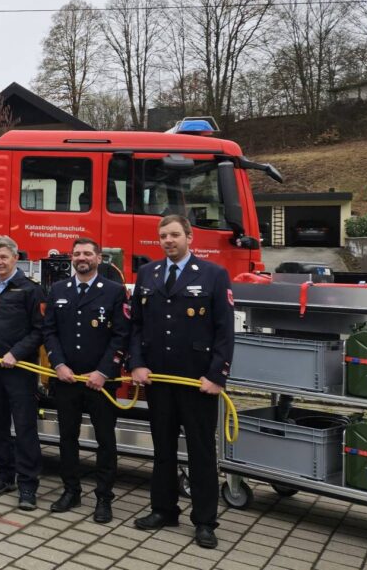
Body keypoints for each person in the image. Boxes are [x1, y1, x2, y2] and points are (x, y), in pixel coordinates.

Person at [130, 215, 233, 549]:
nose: (168, 240)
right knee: (162, 449)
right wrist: (137, 364)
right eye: (163, 236)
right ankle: (163, 509)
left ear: (189, 237)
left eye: (174, 235)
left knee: (201, 453)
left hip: (196, 382)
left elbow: (224, 330)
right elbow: (136, 327)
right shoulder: (148, 274)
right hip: (159, 380)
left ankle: (204, 521)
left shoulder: (214, 275)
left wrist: (217, 376)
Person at [42, 237, 128, 522]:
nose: (82, 258)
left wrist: (103, 371)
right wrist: (58, 364)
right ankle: (71, 490)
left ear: (99, 258)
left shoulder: (114, 292)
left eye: (88, 253)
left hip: (101, 382)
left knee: (105, 441)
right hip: (68, 380)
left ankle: (104, 498)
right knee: (67, 438)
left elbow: (121, 335)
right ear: (71, 257)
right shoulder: (58, 289)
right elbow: (49, 331)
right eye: (77, 253)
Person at [0, 235, 45, 510]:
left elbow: (39, 330)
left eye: (4, 257)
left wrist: (15, 353)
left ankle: (28, 485)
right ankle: (4, 475)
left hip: (20, 370)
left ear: (16, 258)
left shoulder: (30, 290)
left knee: (25, 427)